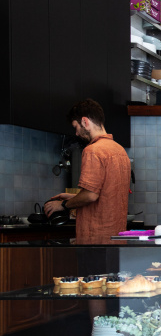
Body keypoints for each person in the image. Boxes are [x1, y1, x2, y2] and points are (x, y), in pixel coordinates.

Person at [44, 99, 132, 240]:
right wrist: (73, 197)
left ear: (85, 121)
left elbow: (91, 196)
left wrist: (63, 205)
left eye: (76, 127)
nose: (77, 133)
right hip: (116, 236)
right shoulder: (120, 151)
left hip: (95, 237)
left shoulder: (93, 150)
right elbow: (105, 195)